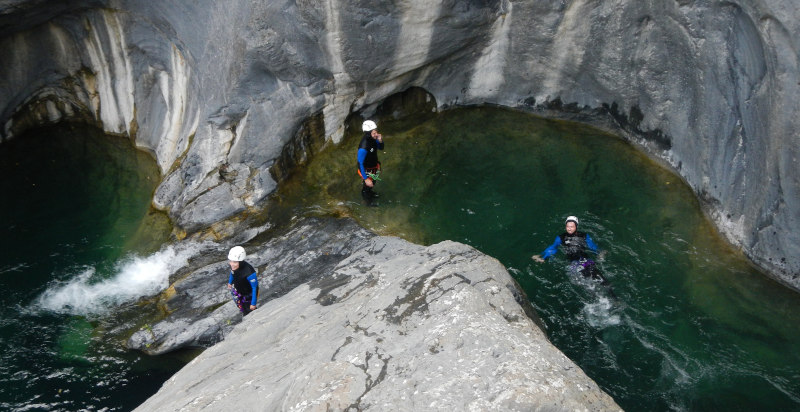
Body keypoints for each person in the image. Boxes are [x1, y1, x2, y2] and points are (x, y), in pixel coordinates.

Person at [532, 216, 610, 285]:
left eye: (572, 226)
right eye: (567, 226)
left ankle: (614, 298)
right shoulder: (561, 237)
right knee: (585, 282)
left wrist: (600, 252)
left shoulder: (584, 235)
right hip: (573, 263)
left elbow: (592, 246)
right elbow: (553, 248)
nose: (569, 228)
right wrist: (543, 257)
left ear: (576, 226)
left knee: (599, 277)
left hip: (585, 259)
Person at [356, 119, 384, 203]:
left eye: (376, 132)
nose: (376, 134)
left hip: (373, 165)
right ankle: (368, 201)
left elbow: (381, 148)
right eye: (374, 133)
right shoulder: (363, 147)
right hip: (366, 169)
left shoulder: (374, 139)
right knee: (367, 185)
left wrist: (380, 140)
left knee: (373, 182)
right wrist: (365, 179)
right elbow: (360, 163)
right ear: (368, 134)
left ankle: (370, 193)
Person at [226, 246, 258, 315]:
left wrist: (253, 303)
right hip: (239, 292)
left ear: (240, 262)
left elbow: (255, 288)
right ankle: (244, 312)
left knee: (250, 310)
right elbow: (232, 273)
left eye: (234, 262)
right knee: (242, 307)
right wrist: (230, 282)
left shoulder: (249, 272)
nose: (231, 264)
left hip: (248, 296)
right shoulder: (234, 266)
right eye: (231, 261)